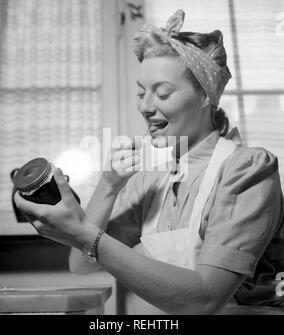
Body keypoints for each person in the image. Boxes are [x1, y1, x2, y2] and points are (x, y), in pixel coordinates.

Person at [15, 10, 284, 314]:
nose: (145, 106)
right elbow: (81, 264)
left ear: (205, 95)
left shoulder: (248, 170)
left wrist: (83, 233)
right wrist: (108, 185)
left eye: (163, 93)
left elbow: (205, 300)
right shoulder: (151, 181)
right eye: (142, 93)